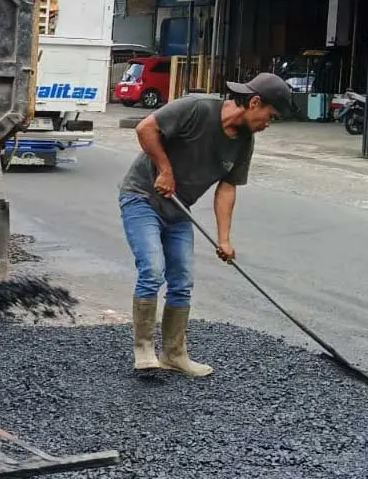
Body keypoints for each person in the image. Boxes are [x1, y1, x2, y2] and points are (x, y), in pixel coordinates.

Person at [120, 73, 290, 376]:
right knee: (153, 269)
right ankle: (144, 348)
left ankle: (174, 354)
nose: (268, 124)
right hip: (142, 197)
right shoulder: (197, 108)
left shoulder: (243, 143)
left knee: (182, 280)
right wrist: (165, 170)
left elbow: (227, 188)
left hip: (179, 209)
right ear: (254, 102)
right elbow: (146, 128)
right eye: (270, 115)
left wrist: (224, 240)